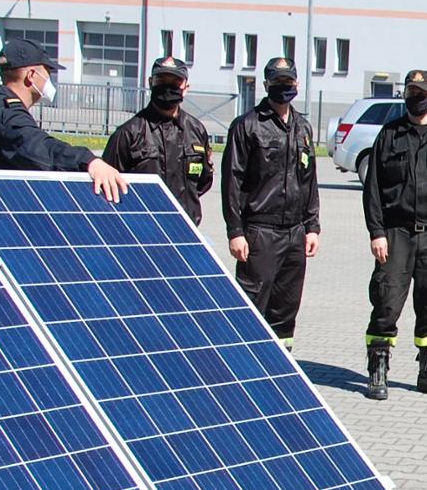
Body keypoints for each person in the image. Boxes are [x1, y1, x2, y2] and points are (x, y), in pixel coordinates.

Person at [362, 69, 427, 401]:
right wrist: (377, 232)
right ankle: (378, 371)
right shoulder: (390, 135)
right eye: (410, 91)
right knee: (386, 304)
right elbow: (373, 188)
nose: (416, 97)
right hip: (395, 234)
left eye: (422, 92)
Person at [222, 57, 321, 350]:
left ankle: (281, 370)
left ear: (297, 84)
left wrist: (312, 226)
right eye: (277, 83)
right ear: (266, 85)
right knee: (251, 307)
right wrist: (235, 231)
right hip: (259, 233)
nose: (283, 88)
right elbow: (232, 181)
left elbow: (309, 180)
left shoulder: (302, 127)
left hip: (295, 234)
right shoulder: (247, 126)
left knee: (285, 311)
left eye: (288, 83)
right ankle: (243, 365)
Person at [0, 37, 127, 202]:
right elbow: (39, 148)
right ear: (31, 75)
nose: (49, 79)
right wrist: (88, 160)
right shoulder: (10, 115)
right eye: (48, 72)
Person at [102, 55, 214, 224]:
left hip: (185, 229)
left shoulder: (196, 130)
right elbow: (107, 183)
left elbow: (203, 181)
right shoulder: (128, 133)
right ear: (150, 82)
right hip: (141, 229)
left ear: (186, 87)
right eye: (161, 80)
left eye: (175, 82)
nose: (167, 87)